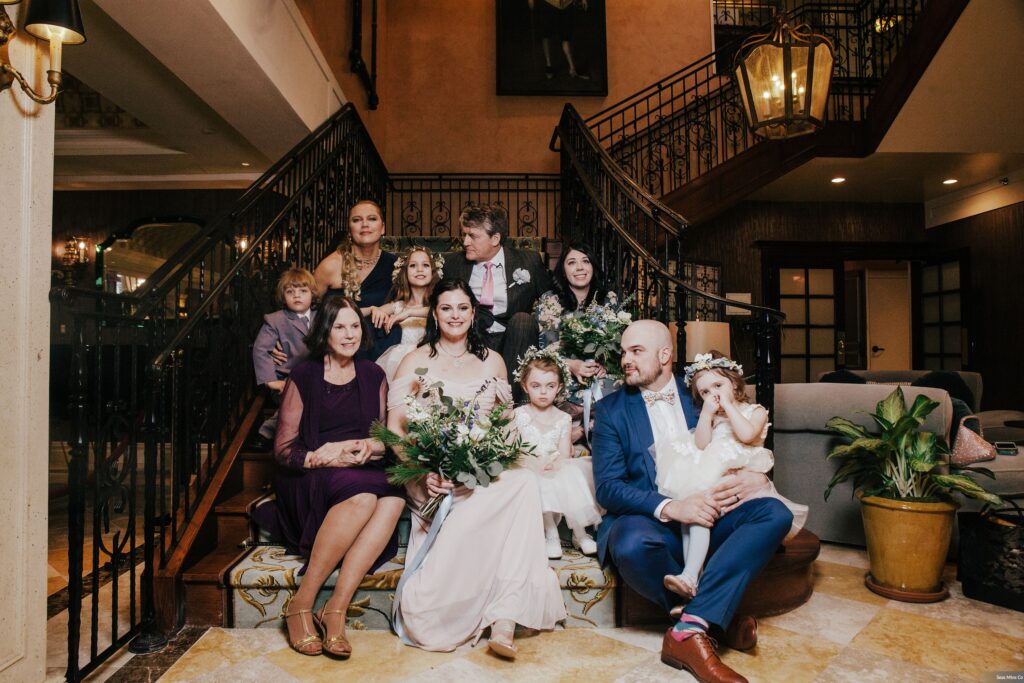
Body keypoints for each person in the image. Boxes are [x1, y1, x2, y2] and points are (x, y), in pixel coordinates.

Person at [591, 320, 793, 683]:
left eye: (636, 351)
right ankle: (714, 622)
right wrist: (672, 507)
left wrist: (758, 478)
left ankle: (690, 627)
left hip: (715, 515)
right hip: (655, 522)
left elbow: (744, 442)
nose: (625, 360)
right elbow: (608, 487)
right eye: (623, 352)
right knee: (630, 542)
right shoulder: (610, 411)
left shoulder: (703, 392)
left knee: (774, 513)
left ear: (665, 354)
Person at [387, 279, 566, 658]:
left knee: (521, 483)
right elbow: (395, 430)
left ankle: (505, 618)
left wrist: (494, 441)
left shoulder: (493, 362)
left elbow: (502, 430)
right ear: (435, 314)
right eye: (447, 308)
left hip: (482, 473)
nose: (455, 315)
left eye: (463, 308)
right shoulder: (414, 361)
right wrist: (423, 475)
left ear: (473, 314)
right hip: (433, 477)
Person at [250, 296, 405, 659]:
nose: (349, 334)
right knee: (365, 497)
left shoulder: (373, 374)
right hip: (312, 474)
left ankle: (335, 607)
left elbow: (384, 440)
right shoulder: (304, 375)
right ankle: (301, 603)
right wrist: (325, 455)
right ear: (325, 331)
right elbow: (284, 449)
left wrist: (370, 446)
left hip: (360, 469)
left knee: (395, 496)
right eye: (339, 326)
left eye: (354, 326)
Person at [655, 351, 807, 601]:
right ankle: (690, 574)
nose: (712, 393)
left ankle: (692, 576)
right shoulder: (714, 418)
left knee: (702, 517)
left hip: (737, 478)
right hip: (711, 475)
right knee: (692, 517)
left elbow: (747, 435)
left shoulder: (754, 411)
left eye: (718, 385)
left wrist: (728, 405)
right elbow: (701, 444)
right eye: (704, 392)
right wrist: (706, 415)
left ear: (734, 383)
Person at [442, 203, 551, 384]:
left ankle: (513, 402)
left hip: (513, 338)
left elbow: (551, 301)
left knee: (523, 320)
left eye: (473, 236)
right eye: (464, 235)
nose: (465, 242)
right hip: (470, 335)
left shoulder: (528, 260)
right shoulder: (453, 263)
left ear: (495, 238)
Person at [513, 346, 601, 559]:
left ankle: (579, 533)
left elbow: (564, 454)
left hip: (555, 464)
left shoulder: (563, 418)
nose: (543, 392)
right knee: (539, 481)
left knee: (570, 476)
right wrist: (534, 462)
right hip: (529, 466)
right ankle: (551, 533)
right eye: (536, 386)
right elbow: (514, 449)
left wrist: (556, 463)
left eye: (550, 386)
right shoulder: (519, 414)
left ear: (559, 387)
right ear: (525, 386)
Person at [536, 242, 619, 441]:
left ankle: (586, 427)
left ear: (593, 267)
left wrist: (604, 364)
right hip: (564, 371)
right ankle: (585, 428)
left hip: (600, 373)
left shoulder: (609, 299)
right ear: (563, 271)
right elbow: (547, 350)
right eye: (572, 262)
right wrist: (572, 365)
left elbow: (617, 342)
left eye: (585, 261)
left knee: (619, 388)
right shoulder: (550, 301)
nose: (580, 267)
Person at [312, 199, 400, 358]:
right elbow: (307, 309)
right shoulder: (330, 265)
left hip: (382, 349)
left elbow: (410, 303)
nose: (365, 224)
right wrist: (283, 335)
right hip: (338, 350)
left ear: (382, 228)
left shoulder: (395, 266)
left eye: (372, 219)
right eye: (357, 220)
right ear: (349, 229)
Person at [251, 268, 318, 445]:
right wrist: (271, 380)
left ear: (313, 294)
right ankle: (267, 432)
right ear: (283, 296)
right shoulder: (276, 320)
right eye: (290, 292)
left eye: (303, 291)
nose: (297, 296)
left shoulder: (322, 317)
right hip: (286, 379)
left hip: (316, 378)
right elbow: (260, 349)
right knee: (299, 397)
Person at [373, 246, 443, 382]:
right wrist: (374, 309)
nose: (420, 269)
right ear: (404, 272)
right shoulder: (397, 306)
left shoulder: (438, 305)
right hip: (399, 363)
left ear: (433, 271)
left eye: (425, 265)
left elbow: (439, 312)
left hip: (431, 361)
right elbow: (357, 313)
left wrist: (409, 313)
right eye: (413, 265)